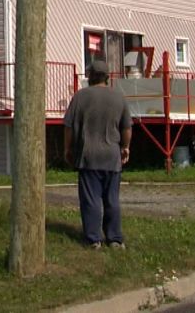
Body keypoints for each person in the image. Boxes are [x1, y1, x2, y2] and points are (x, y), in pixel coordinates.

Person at [63, 60, 132, 249]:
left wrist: (67, 149)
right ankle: (115, 238)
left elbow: (68, 126)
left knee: (91, 199)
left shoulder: (80, 97)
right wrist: (125, 147)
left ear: (90, 76)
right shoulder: (119, 98)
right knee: (111, 199)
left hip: (88, 155)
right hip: (112, 156)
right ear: (108, 77)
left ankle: (93, 239)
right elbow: (126, 128)